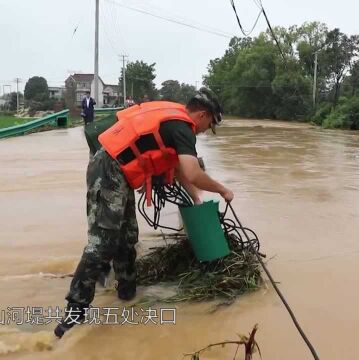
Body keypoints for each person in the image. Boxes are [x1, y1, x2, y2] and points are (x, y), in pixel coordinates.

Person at [55, 88, 233, 338]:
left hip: (121, 172)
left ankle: (126, 296)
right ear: (203, 115)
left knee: (127, 238)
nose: (206, 130)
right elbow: (193, 172)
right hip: (108, 169)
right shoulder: (183, 128)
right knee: (103, 242)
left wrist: (197, 197)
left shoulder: (175, 120)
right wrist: (223, 190)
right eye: (209, 125)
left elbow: (182, 172)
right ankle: (74, 313)